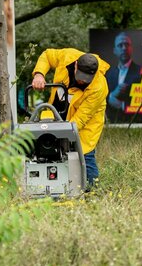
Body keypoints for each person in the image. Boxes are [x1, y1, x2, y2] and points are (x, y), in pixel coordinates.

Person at [32, 49, 109, 188]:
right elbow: (47, 55)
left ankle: (91, 193)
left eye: (86, 78)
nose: (82, 80)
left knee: (84, 155)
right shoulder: (67, 56)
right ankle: (50, 188)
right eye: (80, 75)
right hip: (57, 113)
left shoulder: (98, 87)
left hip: (86, 124)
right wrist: (39, 74)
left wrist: (61, 134)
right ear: (75, 66)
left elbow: (80, 119)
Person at [106, 32, 142, 123]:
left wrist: (123, 105)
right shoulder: (109, 73)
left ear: (131, 48)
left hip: (135, 123)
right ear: (115, 50)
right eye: (120, 45)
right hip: (113, 124)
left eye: (127, 44)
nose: (124, 48)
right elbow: (100, 97)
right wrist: (111, 96)